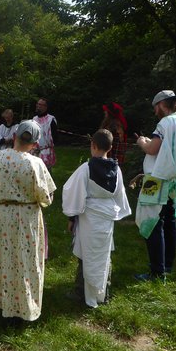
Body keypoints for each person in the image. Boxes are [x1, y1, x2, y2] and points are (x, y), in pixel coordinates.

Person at [0, 120, 56, 323]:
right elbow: (47, 197)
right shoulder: (36, 164)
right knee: (24, 261)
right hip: (26, 218)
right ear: (35, 144)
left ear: (14, 137)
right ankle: (21, 307)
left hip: (0, 216)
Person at [62, 129, 131, 308]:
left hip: (89, 217)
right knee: (102, 254)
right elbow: (119, 193)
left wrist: (72, 218)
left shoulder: (86, 169)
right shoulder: (116, 169)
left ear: (92, 145)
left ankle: (82, 292)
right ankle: (102, 292)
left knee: (87, 254)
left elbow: (73, 193)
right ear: (110, 147)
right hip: (106, 218)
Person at [134, 90, 176, 281]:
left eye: (156, 108)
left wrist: (142, 142)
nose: (155, 112)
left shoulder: (165, 123)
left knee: (152, 222)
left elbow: (152, 149)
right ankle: (166, 266)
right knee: (169, 221)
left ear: (162, 104)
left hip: (157, 179)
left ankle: (156, 272)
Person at [32, 98, 57, 170]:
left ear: (45, 107)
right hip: (35, 151)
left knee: (46, 173)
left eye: (40, 104)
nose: (38, 106)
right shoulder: (34, 119)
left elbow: (55, 138)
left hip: (46, 153)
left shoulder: (51, 119)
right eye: (37, 104)